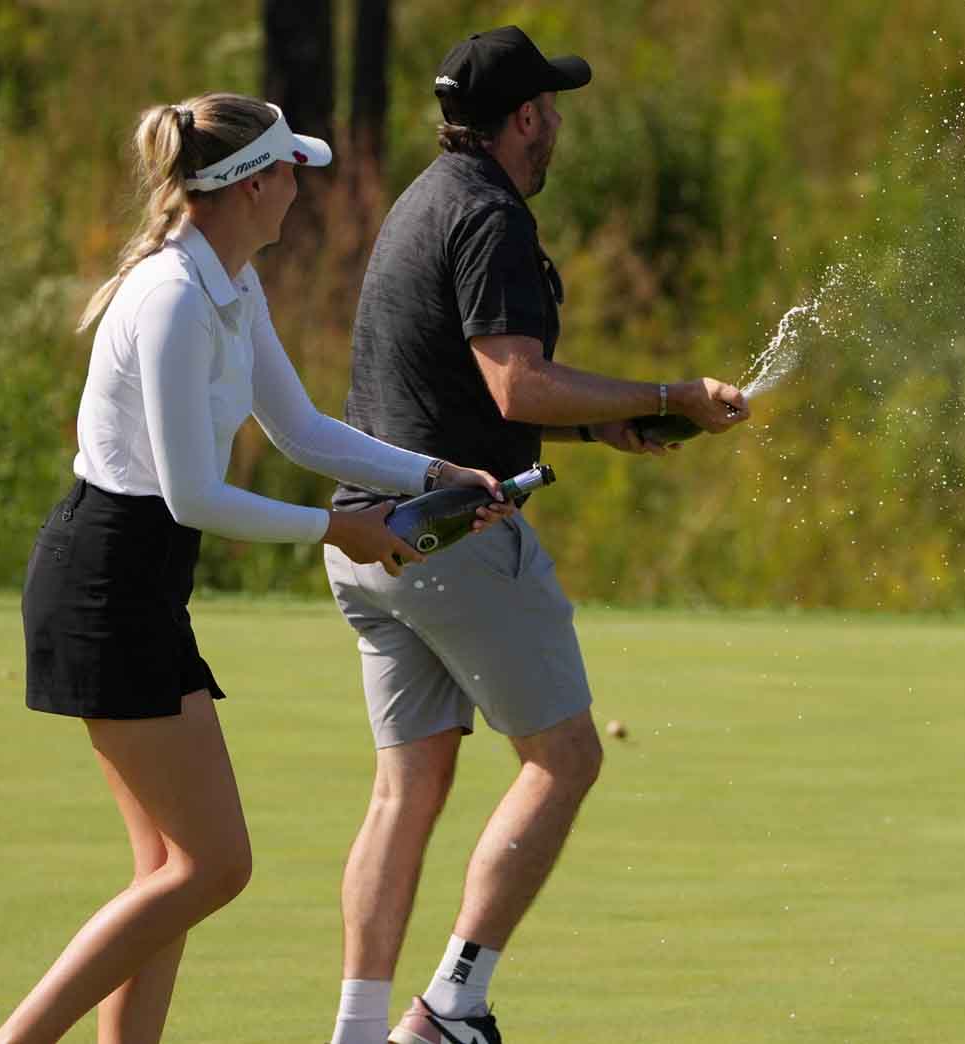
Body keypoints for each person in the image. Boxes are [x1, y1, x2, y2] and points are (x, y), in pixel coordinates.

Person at [0, 93, 511, 1044]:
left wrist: (431, 471)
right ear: (253, 183)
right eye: (290, 173)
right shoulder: (174, 298)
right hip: (104, 580)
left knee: (170, 875)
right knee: (213, 867)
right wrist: (336, 530)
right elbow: (195, 496)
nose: (299, 190)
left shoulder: (228, 282)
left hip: (140, 582)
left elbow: (300, 428)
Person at [320, 26, 749, 1044]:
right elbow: (515, 381)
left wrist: (603, 422)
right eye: (548, 108)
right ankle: (451, 1009)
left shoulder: (425, 200)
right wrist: (665, 391)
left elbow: (463, 389)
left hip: (368, 539)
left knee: (405, 790)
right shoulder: (492, 218)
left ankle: (358, 1029)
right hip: (455, 537)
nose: (557, 123)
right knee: (563, 758)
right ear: (522, 120)